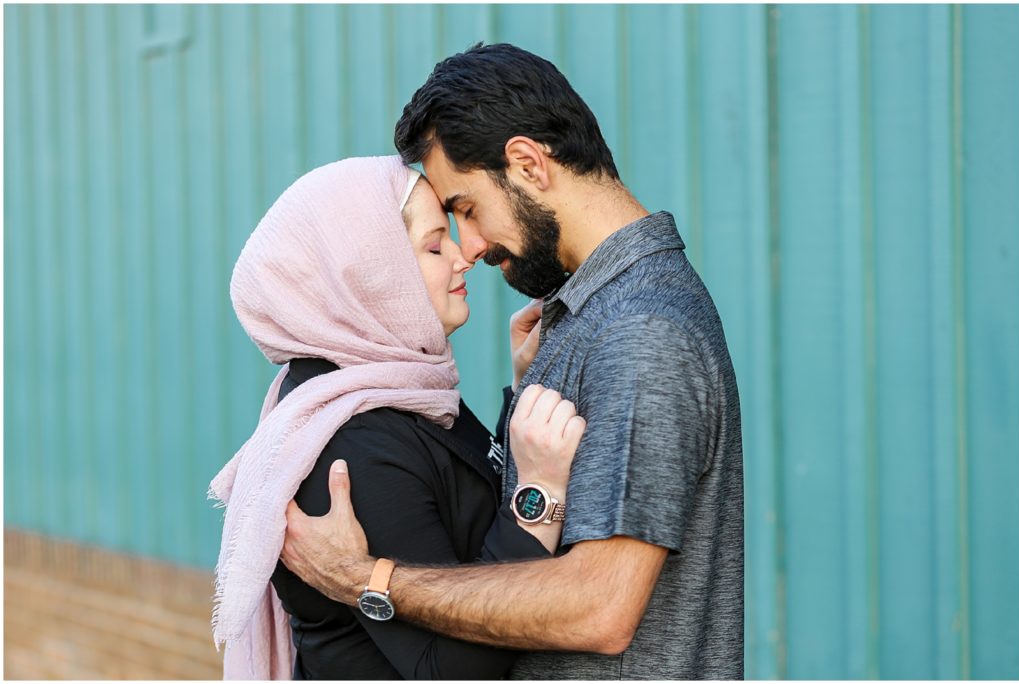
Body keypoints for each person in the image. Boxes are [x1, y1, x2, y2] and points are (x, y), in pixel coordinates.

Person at [280, 43, 745, 679]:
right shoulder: (583, 316)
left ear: (528, 164)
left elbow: (600, 608)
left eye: (466, 209)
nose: (469, 246)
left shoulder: (641, 333)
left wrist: (365, 578)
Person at [209, 155, 586, 679]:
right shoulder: (354, 448)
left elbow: (465, 500)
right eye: (434, 245)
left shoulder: (393, 392)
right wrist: (539, 498)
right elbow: (450, 667)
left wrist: (525, 389)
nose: (463, 257)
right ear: (369, 277)